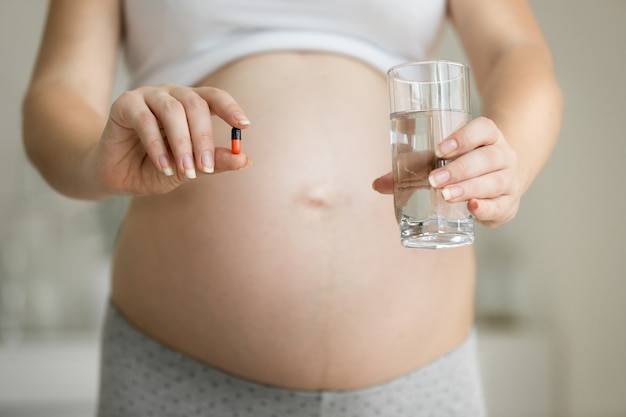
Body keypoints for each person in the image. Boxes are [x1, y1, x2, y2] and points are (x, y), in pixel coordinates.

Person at [22, 0, 562, 416]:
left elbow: (515, 51)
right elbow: (58, 89)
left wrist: (510, 161)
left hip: (417, 380)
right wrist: (96, 161)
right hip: (178, 372)